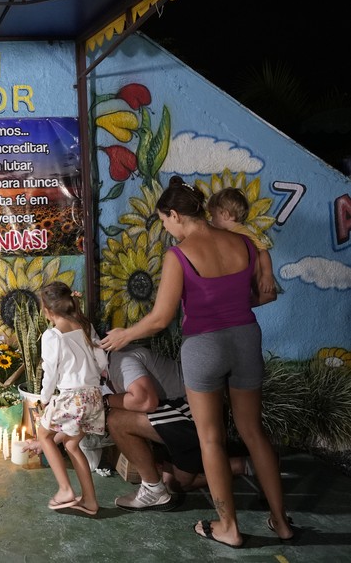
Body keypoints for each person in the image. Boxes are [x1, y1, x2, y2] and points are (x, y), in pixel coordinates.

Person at [100, 178, 290, 547]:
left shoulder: (180, 255)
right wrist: (227, 306)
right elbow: (264, 297)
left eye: (165, 221)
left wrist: (124, 335)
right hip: (247, 339)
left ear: (175, 214)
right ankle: (282, 522)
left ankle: (228, 527)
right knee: (254, 433)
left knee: (210, 438)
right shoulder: (245, 243)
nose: (167, 229)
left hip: (204, 347)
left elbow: (160, 317)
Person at [104, 345, 249, 511]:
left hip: (194, 416)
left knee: (117, 419)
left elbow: (145, 401)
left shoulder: (120, 360)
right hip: (178, 413)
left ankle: (152, 490)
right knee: (175, 484)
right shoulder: (104, 367)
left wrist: (103, 401)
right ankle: (242, 464)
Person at [36, 281, 107, 516]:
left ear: (46, 310)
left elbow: (51, 372)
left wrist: (44, 399)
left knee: (43, 434)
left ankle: (65, 489)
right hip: (94, 396)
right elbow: (103, 361)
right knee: (72, 443)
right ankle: (90, 501)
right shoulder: (85, 326)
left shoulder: (52, 335)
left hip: (73, 396)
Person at [206, 188, 278, 297]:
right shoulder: (228, 234)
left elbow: (263, 250)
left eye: (213, 215)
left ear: (225, 214)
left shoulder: (242, 232)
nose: (211, 220)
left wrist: (267, 275)